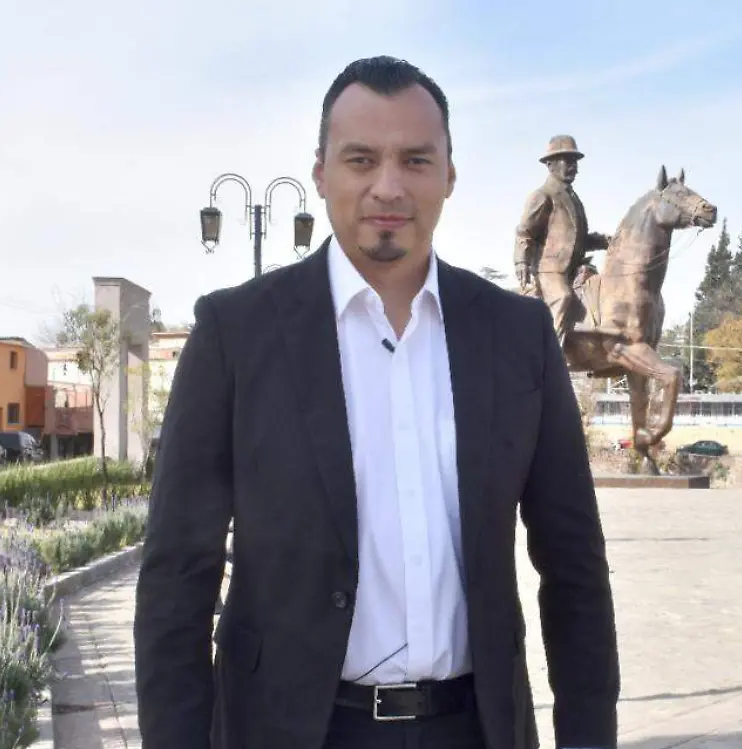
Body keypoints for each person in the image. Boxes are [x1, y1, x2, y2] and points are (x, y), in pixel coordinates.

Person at [134, 56, 619, 749]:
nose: (388, 186)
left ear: (449, 175)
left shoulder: (517, 335)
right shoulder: (235, 334)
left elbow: (573, 564)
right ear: (321, 173)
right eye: (361, 159)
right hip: (290, 730)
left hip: (475, 728)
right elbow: (178, 576)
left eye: (416, 160)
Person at [513, 135, 611, 348]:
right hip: (550, 270)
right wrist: (521, 261)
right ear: (550, 165)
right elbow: (524, 232)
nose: (574, 167)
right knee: (563, 297)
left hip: (575, 268)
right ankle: (550, 354)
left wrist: (608, 241)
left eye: (575, 162)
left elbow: (579, 239)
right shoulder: (543, 195)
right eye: (568, 161)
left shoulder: (573, 198)